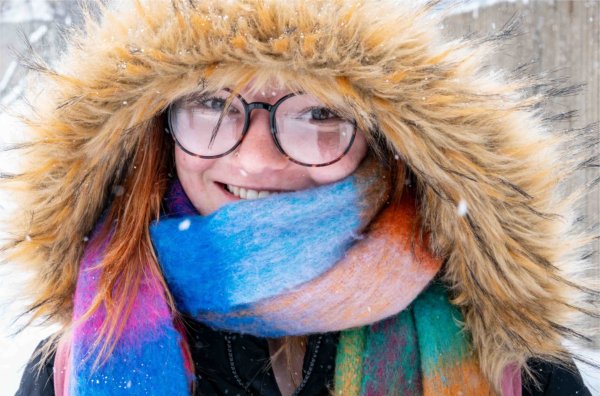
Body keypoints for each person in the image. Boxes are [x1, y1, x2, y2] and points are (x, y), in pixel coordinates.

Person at [4, 0, 597, 395]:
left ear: (384, 141)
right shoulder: (77, 360)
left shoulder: (504, 354)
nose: (257, 159)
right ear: (159, 131)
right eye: (213, 104)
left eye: (318, 112)